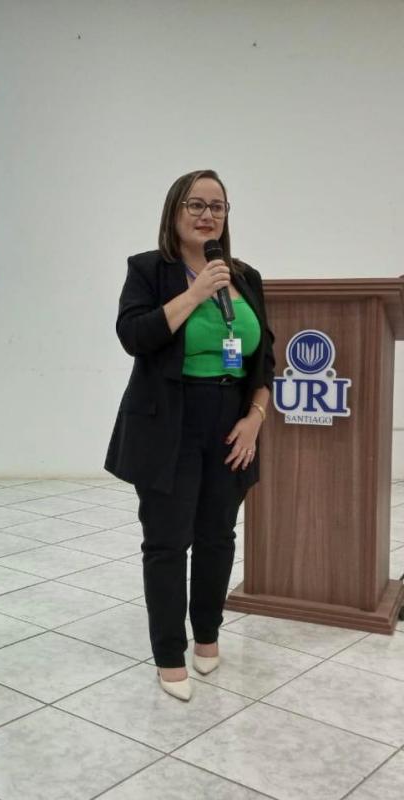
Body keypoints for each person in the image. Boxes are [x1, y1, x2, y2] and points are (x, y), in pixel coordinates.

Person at [105, 169, 275, 701]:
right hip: (169, 422)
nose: (207, 215)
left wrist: (255, 418)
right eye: (196, 205)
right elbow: (134, 335)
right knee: (167, 541)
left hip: (231, 421)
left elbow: (264, 356)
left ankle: (207, 633)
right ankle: (168, 653)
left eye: (217, 206)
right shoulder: (149, 269)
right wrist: (196, 291)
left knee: (218, 536)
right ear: (174, 211)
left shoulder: (245, 276)